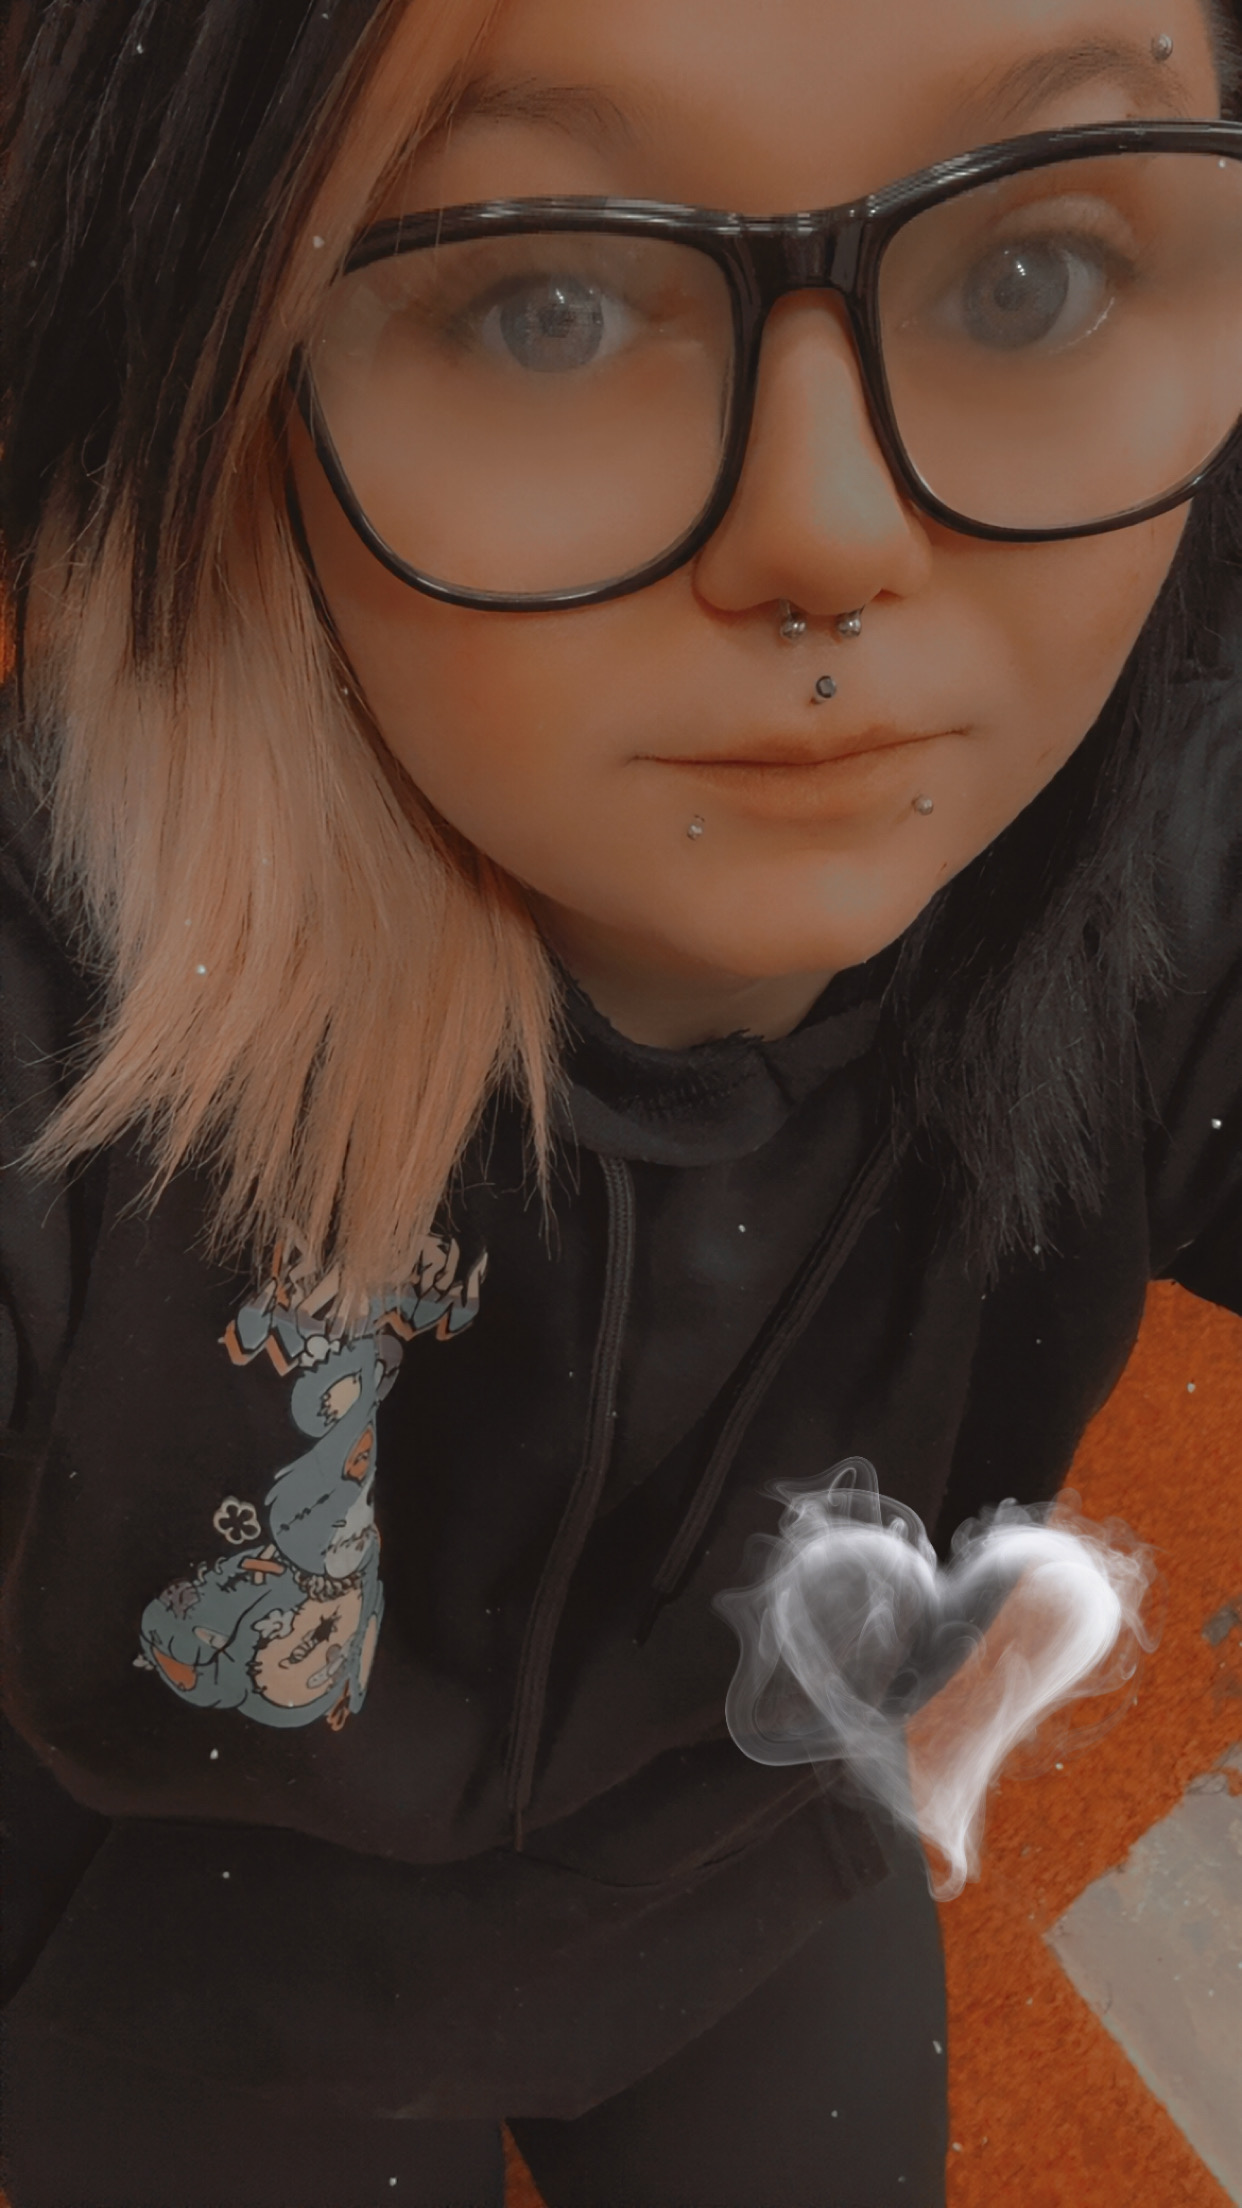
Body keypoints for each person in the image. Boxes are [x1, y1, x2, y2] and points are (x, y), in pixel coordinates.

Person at [2, 0, 1240, 2201]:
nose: (829, 533)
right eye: (547, 304)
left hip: (739, 1862)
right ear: (215, 351)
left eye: (1026, 274)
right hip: (188, 1944)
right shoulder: (71, 1007)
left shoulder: (1144, 888)